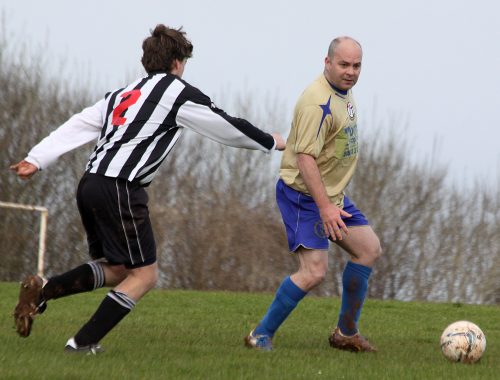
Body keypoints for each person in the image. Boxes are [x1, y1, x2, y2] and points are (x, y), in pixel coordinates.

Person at [10, 24, 285, 354]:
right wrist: (273, 141)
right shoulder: (178, 93)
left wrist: (37, 158)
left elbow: (78, 124)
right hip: (121, 187)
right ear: (179, 62)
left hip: (90, 184)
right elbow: (226, 127)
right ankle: (82, 343)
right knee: (145, 276)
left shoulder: (122, 94)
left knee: (119, 269)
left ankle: (43, 290)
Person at [244, 36, 381, 352]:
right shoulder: (316, 102)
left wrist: (333, 202)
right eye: (344, 64)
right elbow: (304, 158)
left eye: (356, 65)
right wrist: (325, 208)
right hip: (303, 196)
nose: (350, 71)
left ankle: (346, 333)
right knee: (314, 271)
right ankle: (260, 335)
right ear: (327, 62)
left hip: (331, 195)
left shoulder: (343, 93)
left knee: (368, 249)